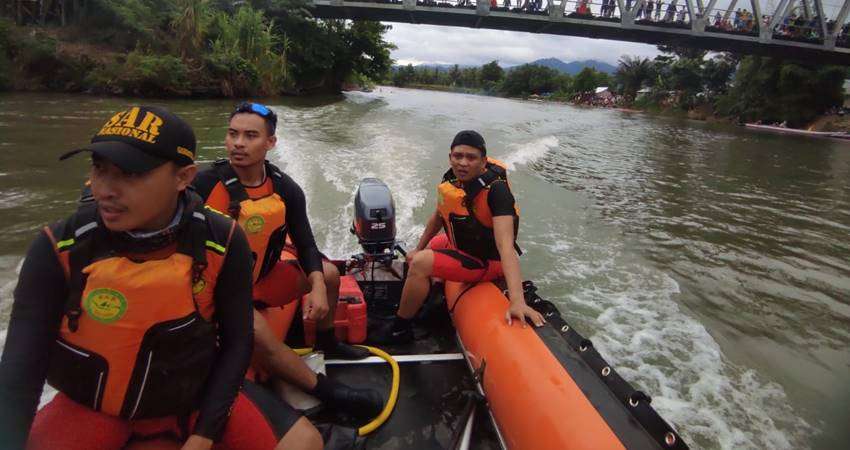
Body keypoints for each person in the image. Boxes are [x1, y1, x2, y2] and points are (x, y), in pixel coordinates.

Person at [0, 106, 322, 450]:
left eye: (130, 174)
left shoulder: (223, 240)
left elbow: (236, 344)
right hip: (96, 407)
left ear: (183, 178)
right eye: (99, 168)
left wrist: (204, 436)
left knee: (306, 443)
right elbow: (20, 373)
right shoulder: (59, 247)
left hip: (193, 395)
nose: (105, 190)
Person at [192, 102, 383, 418]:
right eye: (233, 134)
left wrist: (318, 285)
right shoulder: (202, 186)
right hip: (216, 292)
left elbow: (305, 242)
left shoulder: (285, 188)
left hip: (261, 279)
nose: (238, 143)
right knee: (259, 334)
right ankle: (326, 391)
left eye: (251, 136)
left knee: (331, 275)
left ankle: (327, 342)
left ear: (270, 143)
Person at [371, 131, 545, 344]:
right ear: (450, 157)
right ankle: (433, 299)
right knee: (428, 249)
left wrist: (517, 301)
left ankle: (401, 328)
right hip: (462, 246)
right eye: (457, 156)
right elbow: (438, 217)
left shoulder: (496, 192)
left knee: (420, 263)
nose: (463, 163)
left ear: (483, 161)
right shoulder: (453, 179)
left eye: (471, 158)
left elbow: (505, 246)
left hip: (487, 261)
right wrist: (419, 246)